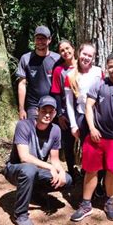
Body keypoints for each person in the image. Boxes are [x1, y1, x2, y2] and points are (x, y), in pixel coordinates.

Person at [70, 53, 113, 222]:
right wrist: (91, 128)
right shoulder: (99, 85)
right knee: (91, 170)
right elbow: (89, 106)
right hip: (97, 137)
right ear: (107, 68)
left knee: (112, 171)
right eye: (111, 66)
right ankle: (86, 204)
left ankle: (109, 202)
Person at [3, 95, 73, 225]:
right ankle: (20, 215)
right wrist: (50, 167)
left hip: (36, 170)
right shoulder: (24, 125)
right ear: (37, 111)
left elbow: (55, 159)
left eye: (51, 112)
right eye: (44, 111)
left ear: (55, 113)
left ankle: (34, 192)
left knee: (67, 179)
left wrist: (61, 171)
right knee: (29, 169)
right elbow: (24, 157)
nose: (47, 115)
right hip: (15, 169)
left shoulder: (56, 130)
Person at [16, 26, 60, 120]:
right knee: (33, 132)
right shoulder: (26, 58)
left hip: (53, 105)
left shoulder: (57, 59)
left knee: (54, 133)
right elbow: (22, 84)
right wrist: (21, 109)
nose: (40, 41)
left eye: (43, 38)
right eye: (38, 38)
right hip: (34, 105)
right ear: (34, 40)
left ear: (49, 40)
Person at [64, 43, 103, 142]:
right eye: (84, 54)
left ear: (93, 58)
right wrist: (73, 125)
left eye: (90, 56)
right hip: (82, 116)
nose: (86, 58)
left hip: (99, 115)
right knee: (87, 148)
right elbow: (69, 103)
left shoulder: (98, 72)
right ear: (78, 53)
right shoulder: (70, 75)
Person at [50, 39, 78, 178]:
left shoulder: (83, 66)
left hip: (85, 110)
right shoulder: (58, 70)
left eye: (68, 48)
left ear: (73, 48)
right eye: (62, 50)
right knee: (68, 143)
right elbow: (55, 92)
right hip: (66, 110)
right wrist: (60, 114)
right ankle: (71, 171)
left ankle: (87, 172)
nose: (66, 52)